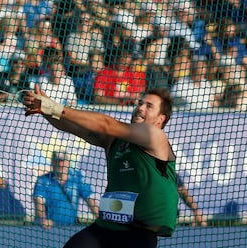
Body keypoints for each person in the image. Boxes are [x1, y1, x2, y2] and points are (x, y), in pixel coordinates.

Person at [22, 85, 178, 247]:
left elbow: (105, 124)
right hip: (108, 226)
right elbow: (70, 126)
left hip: (139, 232)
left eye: (149, 106)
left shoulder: (155, 136)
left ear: (160, 119)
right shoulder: (114, 140)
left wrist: (52, 105)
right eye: (140, 103)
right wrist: (45, 109)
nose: (140, 108)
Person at [33, 149, 99, 229]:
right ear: (52, 163)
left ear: (68, 162)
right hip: (49, 228)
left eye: (62, 161)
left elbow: (90, 200)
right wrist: (43, 219)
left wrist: (101, 221)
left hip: (70, 227)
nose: (60, 164)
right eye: (56, 161)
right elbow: (39, 202)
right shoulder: (43, 180)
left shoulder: (77, 177)